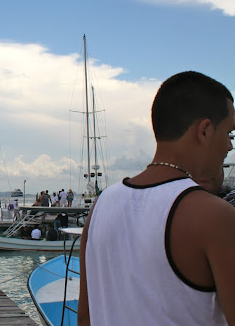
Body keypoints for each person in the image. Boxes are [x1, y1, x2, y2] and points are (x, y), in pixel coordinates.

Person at [78, 71, 235, 325]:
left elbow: (85, 317)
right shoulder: (215, 216)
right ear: (205, 131)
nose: (229, 146)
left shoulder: (101, 205)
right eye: (229, 133)